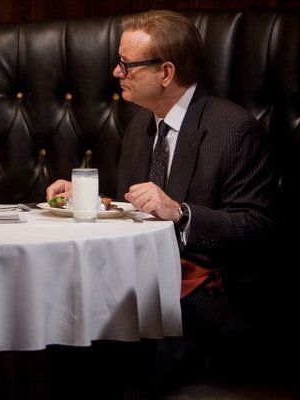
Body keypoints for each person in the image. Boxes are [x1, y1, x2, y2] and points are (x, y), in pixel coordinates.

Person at [46, 9, 277, 395]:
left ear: (166, 72)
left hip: (208, 298)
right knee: (62, 321)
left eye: (126, 64)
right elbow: (138, 210)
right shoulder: (140, 125)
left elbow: (257, 227)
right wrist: (84, 198)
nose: (117, 72)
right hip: (142, 282)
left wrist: (182, 214)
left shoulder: (233, 129)